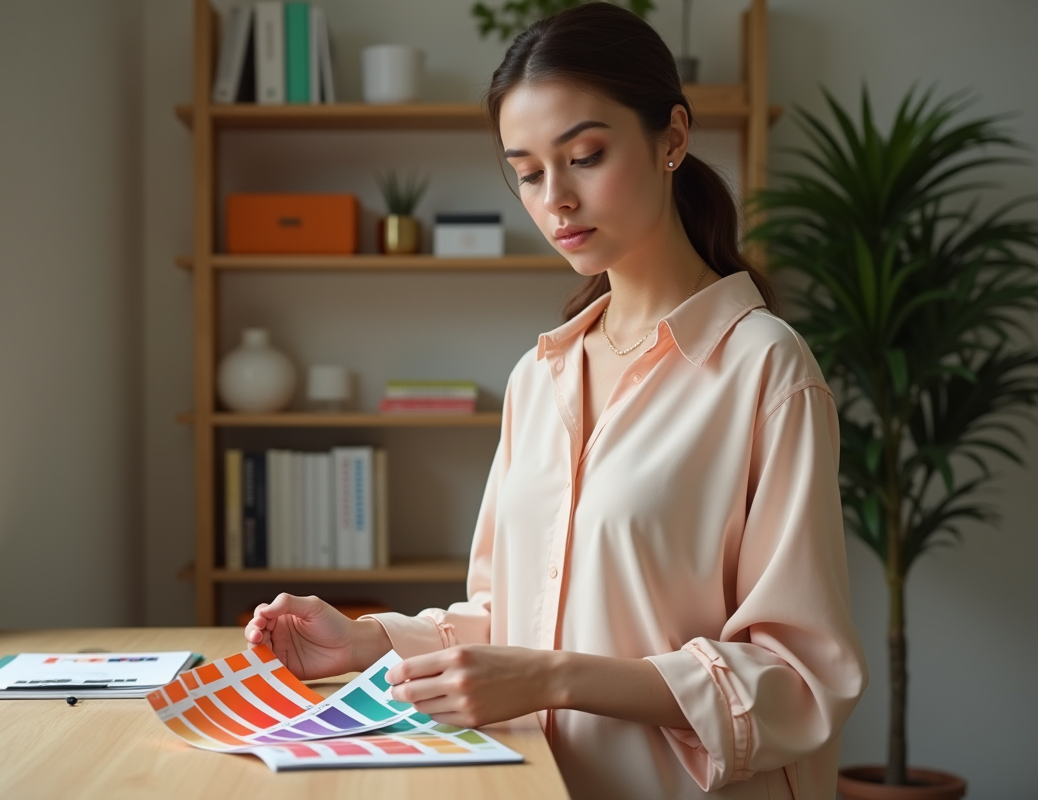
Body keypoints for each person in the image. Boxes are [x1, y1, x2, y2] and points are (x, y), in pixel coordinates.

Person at [245, 4, 867, 798]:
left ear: (672, 139)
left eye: (586, 156)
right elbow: (513, 616)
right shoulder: (539, 378)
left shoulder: (765, 370)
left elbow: (801, 680)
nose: (556, 200)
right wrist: (368, 640)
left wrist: (556, 679)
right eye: (530, 173)